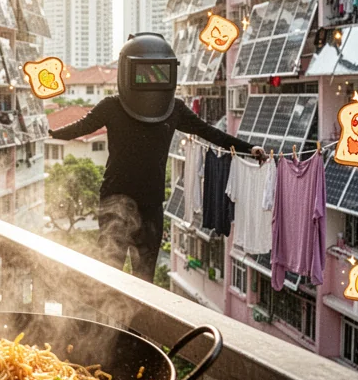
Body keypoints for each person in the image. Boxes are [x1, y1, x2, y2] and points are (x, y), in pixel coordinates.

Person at [49, 32, 265, 282]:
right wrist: (49, 131)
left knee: (133, 281)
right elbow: (210, 133)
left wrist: (249, 148)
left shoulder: (158, 108)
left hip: (141, 206)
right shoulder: (154, 108)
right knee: (113, 278)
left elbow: (209, 133)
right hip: (123, 204)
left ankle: (129, 322)